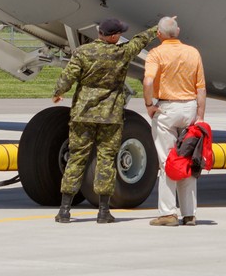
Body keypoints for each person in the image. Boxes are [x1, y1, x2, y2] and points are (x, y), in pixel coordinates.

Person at [52, 17, 157, 225]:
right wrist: (157, 27)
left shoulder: (83, 52)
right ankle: (103, 211)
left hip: (83, 114)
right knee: (106, 159)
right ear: (115, 36)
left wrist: (58, 92)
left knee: (76, 158)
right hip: (110, 115)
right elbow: (140, 40)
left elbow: (68, 76)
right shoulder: (121, 52)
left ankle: (64, 210)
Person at [142, 15, 206, 227]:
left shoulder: (156, 54)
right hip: (189, 108)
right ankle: (189, 214)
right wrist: (200, 116)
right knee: (188, 159)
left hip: (167, 108)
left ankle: (168, 213)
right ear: (177, 32)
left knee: (167, 161)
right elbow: (201, 88)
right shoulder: (193, 52)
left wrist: (149, 104)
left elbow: (148, 80)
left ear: (159, 34)